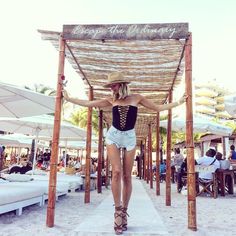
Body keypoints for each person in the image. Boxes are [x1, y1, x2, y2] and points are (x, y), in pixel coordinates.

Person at [63, 71, 186, 235]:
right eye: (111, 86)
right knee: (117, 172)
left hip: (129, 137)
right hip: (113, 136)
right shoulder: (110, 100)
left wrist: (178, 102)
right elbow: (89, 103)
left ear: (121, 84)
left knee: (127, 176)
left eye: (113, 85)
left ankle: (124, 211)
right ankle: (118, 211)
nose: (111, 88)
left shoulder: (137, 98)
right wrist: (69, 97)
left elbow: (158, 108)